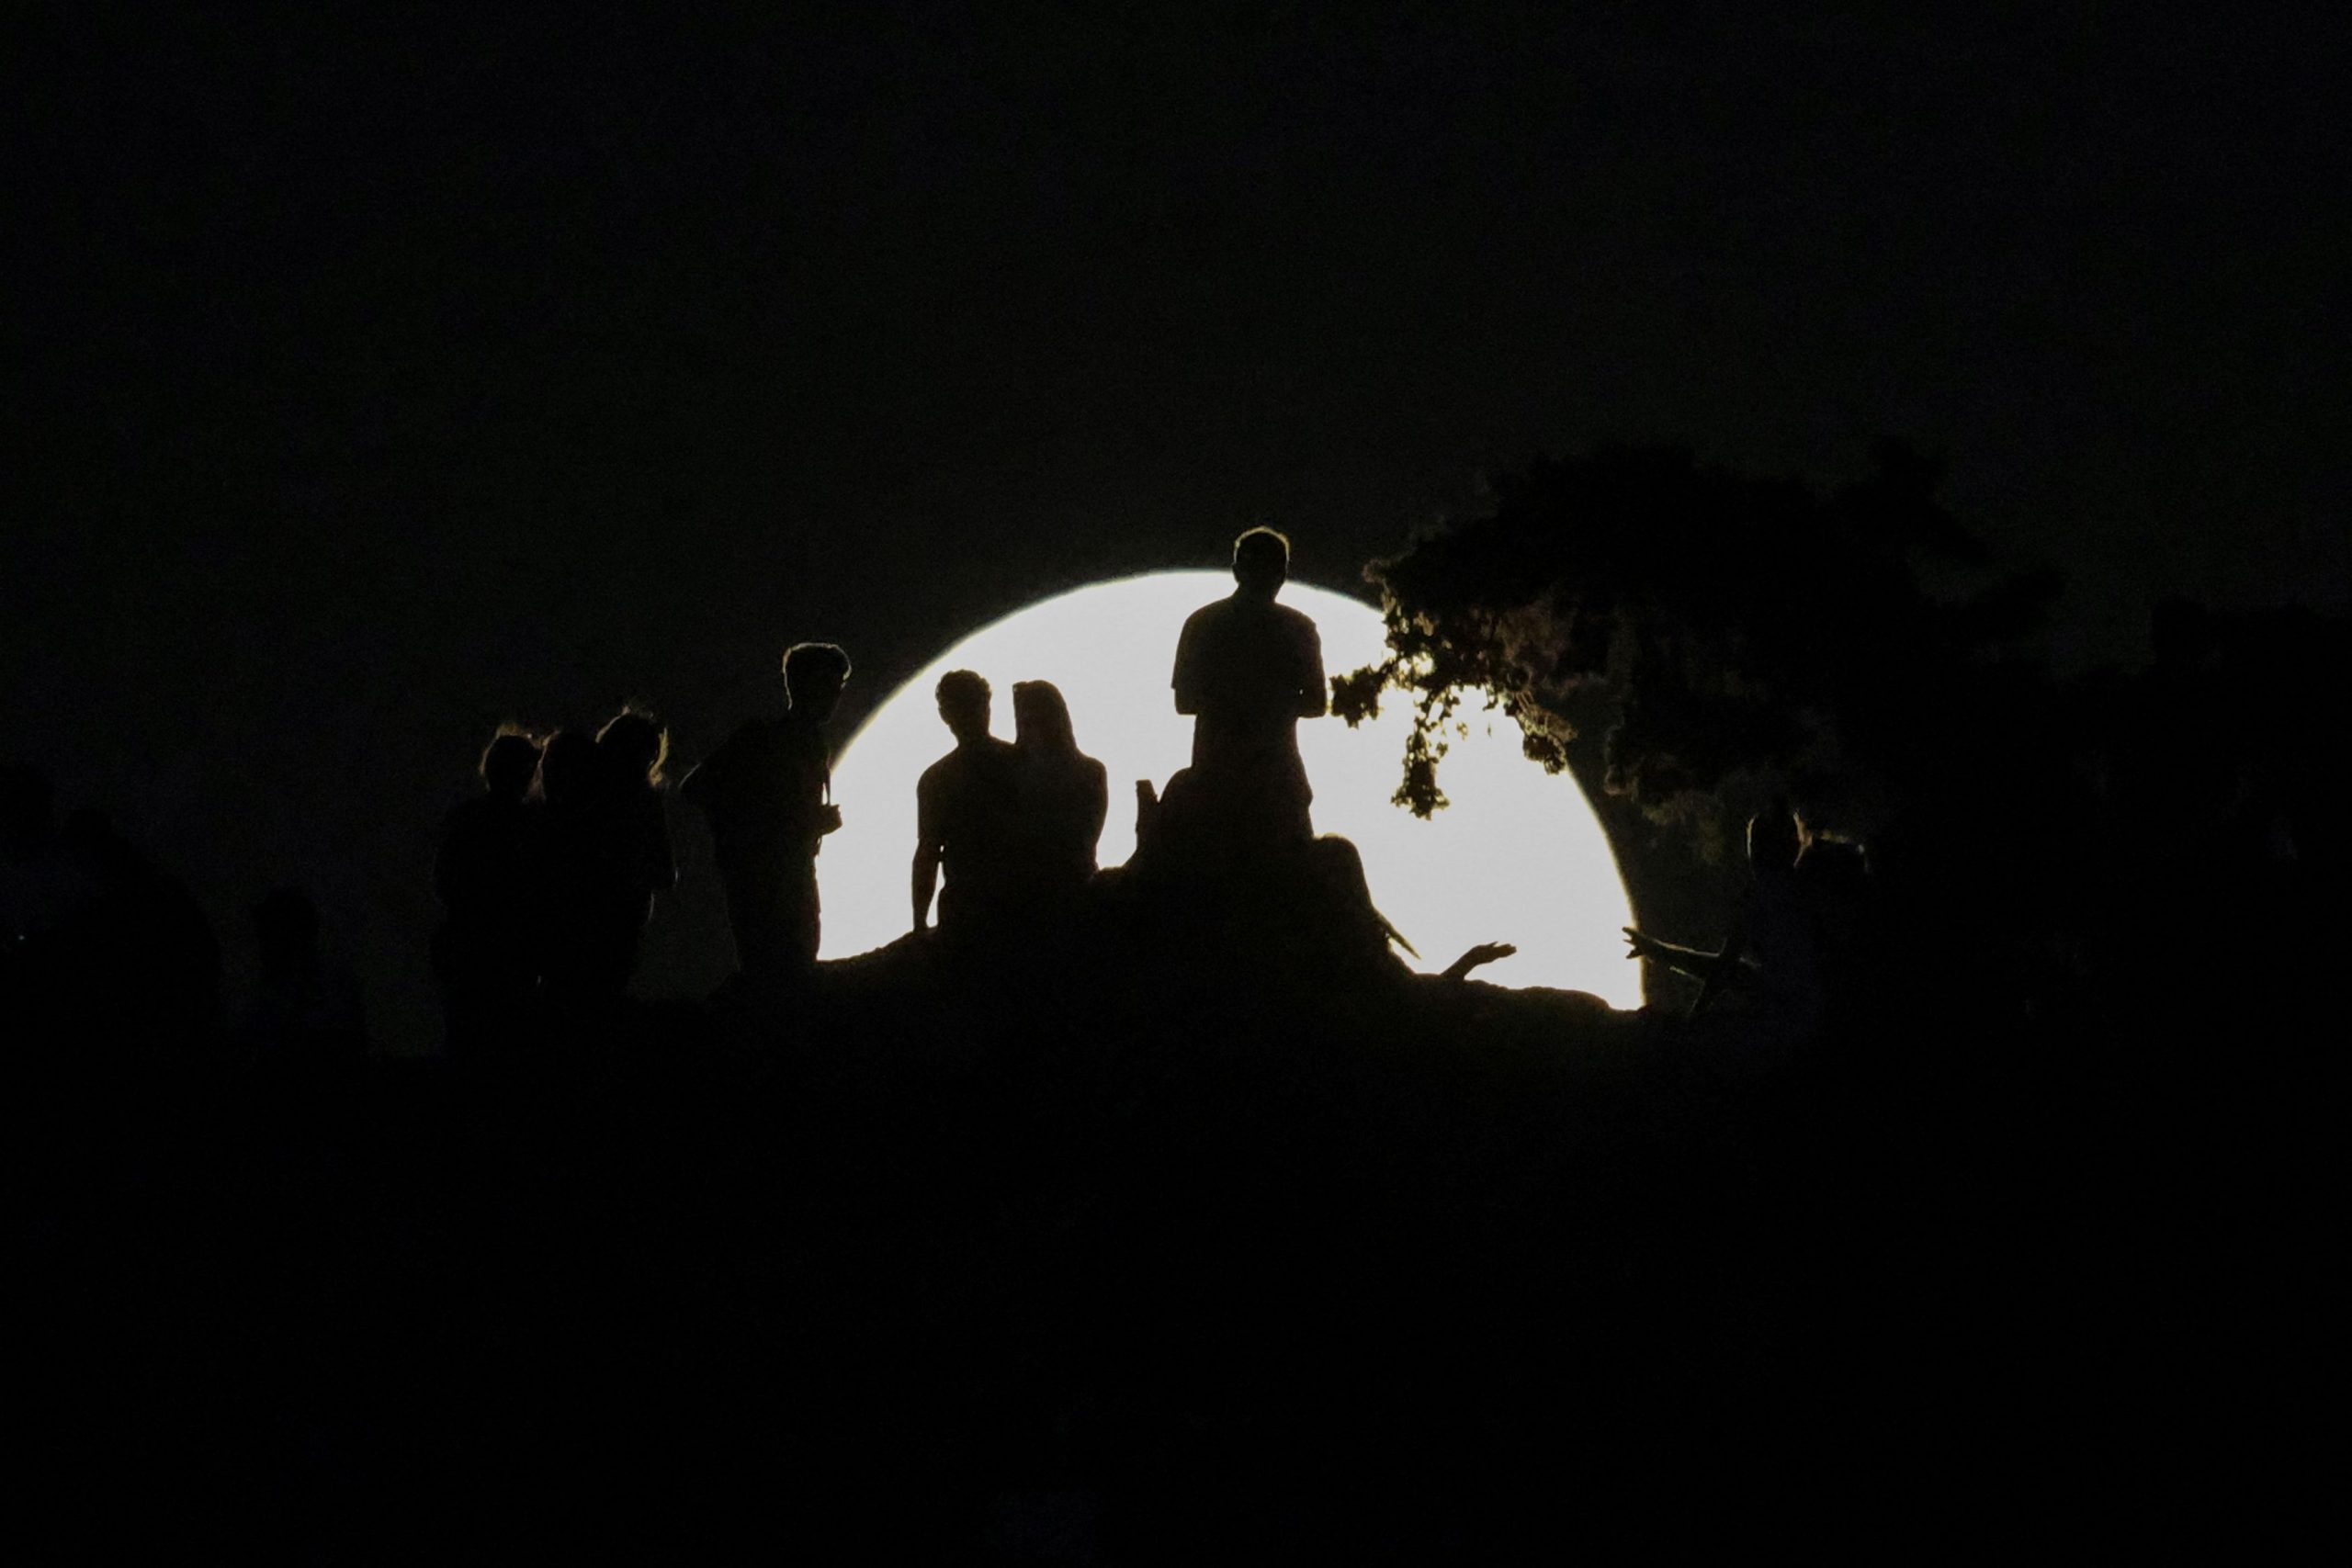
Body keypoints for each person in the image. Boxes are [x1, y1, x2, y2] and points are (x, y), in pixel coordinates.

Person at [681, 642, 849, 977]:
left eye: (838, 687)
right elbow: (696, 788)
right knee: (774, 974)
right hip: (762, 884)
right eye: (827, 685)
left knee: (797, 968)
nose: (835, 696)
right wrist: (776, 827)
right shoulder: (760, 739)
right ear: (801, 685)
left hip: (797, 876)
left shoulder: (813, 744)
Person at [1170, 527, 1327, 846]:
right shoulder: (1299, 628)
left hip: (1217, 777)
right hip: (1276, 779)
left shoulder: (1202, 623)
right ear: (1283, 573)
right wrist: (1272, 705)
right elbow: (1316, 703)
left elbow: (1184, 701)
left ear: (1236, 570)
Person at [432, 728, 543, 1053]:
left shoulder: (465, 817)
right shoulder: (528, 824)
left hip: (468, 944)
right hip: (510, 948)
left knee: (467, 1034)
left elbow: (444, 881)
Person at [912, 670, 1023, 942]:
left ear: (944, 715)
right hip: (1013, 903)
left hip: (969, 908)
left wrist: (919, 924)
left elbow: (928, 853)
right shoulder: (1019, 761)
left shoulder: (936, 778)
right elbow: (927, 853)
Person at [1012, 680, 1107, 916]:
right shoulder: (1090, 770)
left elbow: (1082, 840)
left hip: (1067, 890)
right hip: (1040, 894)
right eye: (1028, 722)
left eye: (1039, 720)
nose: (1035, 730)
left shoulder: (1090, 771)